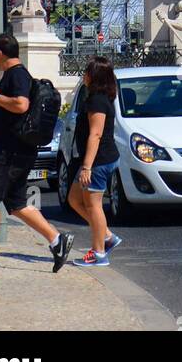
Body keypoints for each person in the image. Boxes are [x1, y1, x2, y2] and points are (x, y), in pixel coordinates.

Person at [0, 33, 73, 272]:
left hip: (10, 153)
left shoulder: (17, 75)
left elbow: (21, 105)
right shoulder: (12, 76)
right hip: (16, 151)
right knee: (17, 203)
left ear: (0, 53)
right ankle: (57, 240)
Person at [67, 57, 121, 268]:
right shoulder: (99, 98)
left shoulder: (97, 101)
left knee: (94, 206)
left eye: (87, 72)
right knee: (74, 199)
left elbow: (95, 134)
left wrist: (87, 166)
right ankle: (106, 235)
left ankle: (99, 253)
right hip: (96, 159)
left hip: (98, 161)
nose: (84, 75)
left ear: (94, 76)